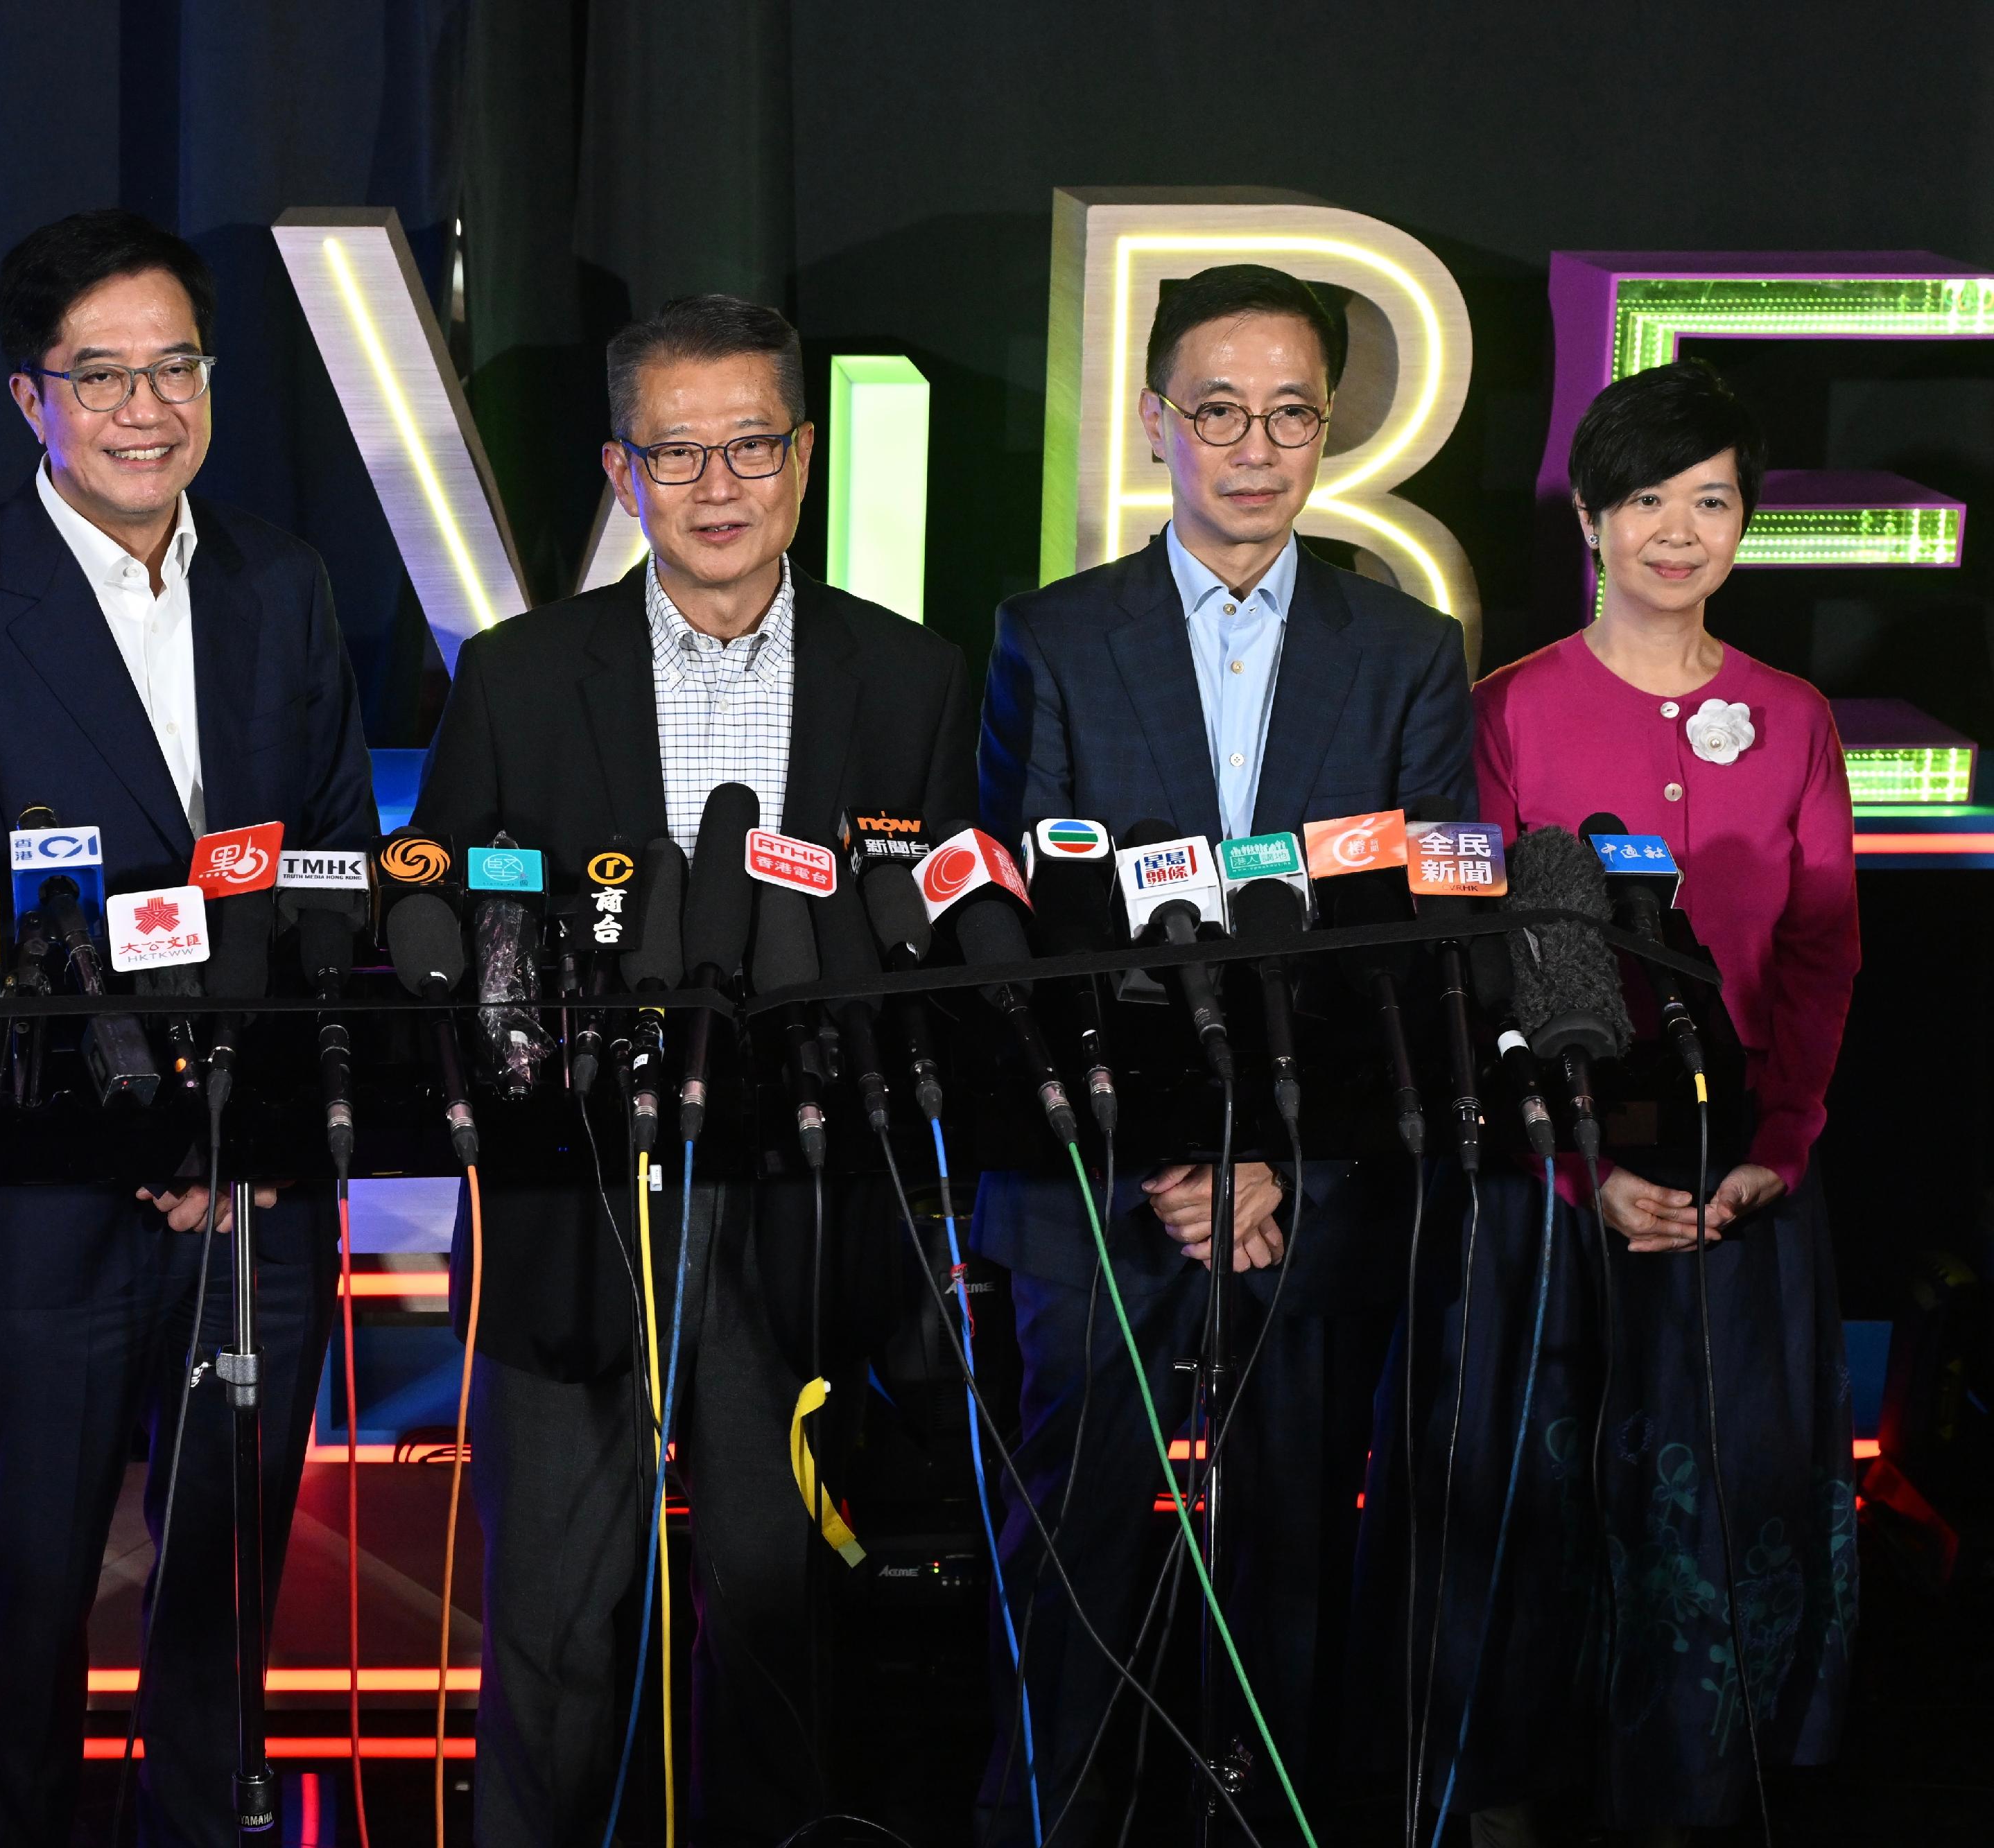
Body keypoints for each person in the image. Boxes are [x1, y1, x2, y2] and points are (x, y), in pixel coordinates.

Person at [415, 293, 973, 1844]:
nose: (715, 487)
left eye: (747, 447)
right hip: (568, 1203)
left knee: (781, 1619)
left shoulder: (910, 681)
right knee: (550, 1634)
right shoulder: (518, 676)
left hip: (797, 1219)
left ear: (800, 457)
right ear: (619, 470)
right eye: (676, 454)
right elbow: (453, 928)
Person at [0, 208, 374, 1847]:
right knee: (34, 1582)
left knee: (228, 1570)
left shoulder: (285, 583)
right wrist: (154, 1131)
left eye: (176, 366)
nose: (147, 406)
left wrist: (248, 1135)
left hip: (260, 1179)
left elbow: (330, 875)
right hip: (50, 1179)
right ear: (32, 398)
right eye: (103, 374)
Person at [972, 263, 1476, 1842]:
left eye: (1289, 415)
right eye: (1215, 411)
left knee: (1287, 1545)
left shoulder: (1403, 651)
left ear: (1327, 430)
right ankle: (1048, 1814)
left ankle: (1265, 1823)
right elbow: (1027, 939)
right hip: (1104, 1178)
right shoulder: (1046, 639)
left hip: (1309, 1183)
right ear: (1151, 423)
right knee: (1080, 1539)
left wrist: (1269, 1159)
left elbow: (1407, 954)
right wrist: (1177, 1157)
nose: (1252, 449)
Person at [1405, 359, 1858, 1846]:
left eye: (1710, 500)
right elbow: (1480, 972)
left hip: (1740, 1187)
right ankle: (1511, 1798)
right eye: (1646, 498)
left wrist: (1774, 1151)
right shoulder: (1507, 713)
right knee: (1531, 1501)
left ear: (1744, 523)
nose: (1678, 529)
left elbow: (1814, 950)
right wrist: (1575, 1169)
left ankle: (1693, 1791)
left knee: (1718, 1510)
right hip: (1552, 1190)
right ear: (1589, 517)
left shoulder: (1790, 719)